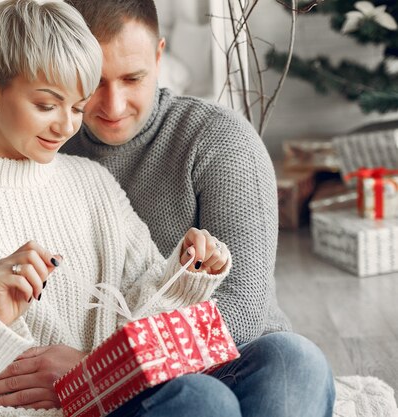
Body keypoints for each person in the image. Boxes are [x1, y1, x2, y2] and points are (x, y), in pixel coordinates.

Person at [0, 1, 232, 416]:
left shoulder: (93, 183)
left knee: (285, 357)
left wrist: (183, 274)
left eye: (76, 106)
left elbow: (142, 328)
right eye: (47, 105)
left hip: (107, 401)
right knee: (203, 400)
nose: (66, 127)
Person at [46, 0, 330, 415]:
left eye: (133, 78)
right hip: (148, 392)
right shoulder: (50, 152)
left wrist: (102, 366)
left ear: (159, 56)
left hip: (237, 355)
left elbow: (241, 311)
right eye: (93, 82)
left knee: (297, 361)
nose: (114, 104)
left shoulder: (219, 140)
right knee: (201, 401)